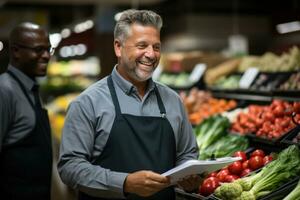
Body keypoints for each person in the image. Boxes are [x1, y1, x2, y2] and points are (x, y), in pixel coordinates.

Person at [58, 9, 202, 200]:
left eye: (156, 47)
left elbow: (187, 153)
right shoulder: (88, 103)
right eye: (142, 45)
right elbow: (70, 167)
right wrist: (125, 183)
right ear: (118, 47)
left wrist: (189, 174)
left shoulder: (173, 100)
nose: (151, 54)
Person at [0, 22, 54, 200]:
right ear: (15, 51)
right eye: (39, 50)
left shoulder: (31, 89)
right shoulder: (5, 90)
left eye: (48, 49)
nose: (46, 56)